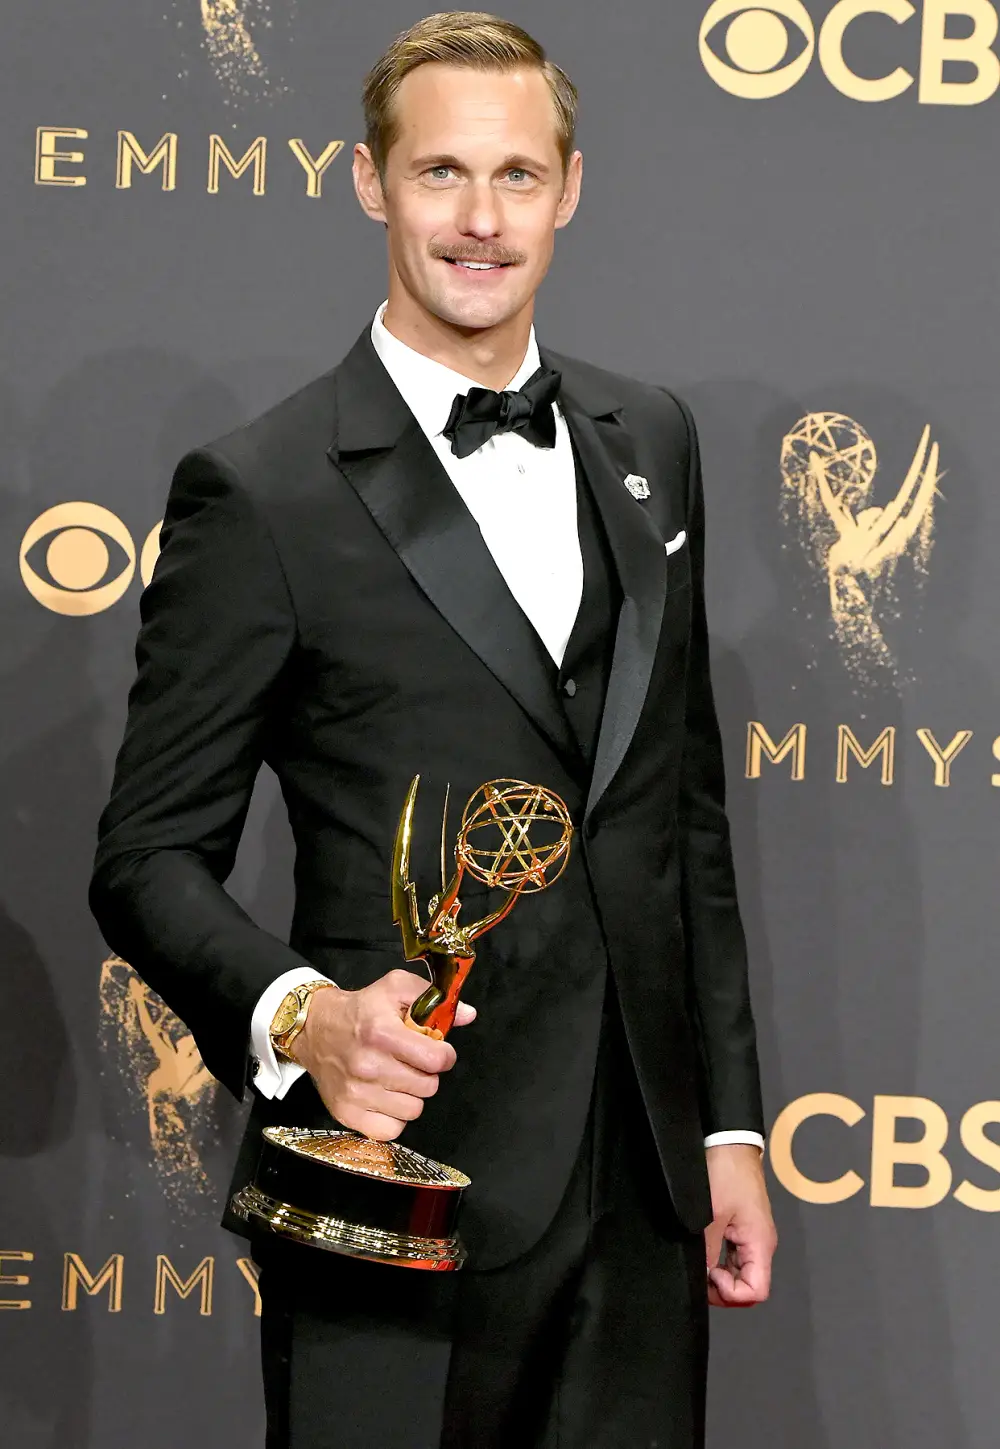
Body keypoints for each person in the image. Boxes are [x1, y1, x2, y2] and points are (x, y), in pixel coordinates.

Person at [90, 12, 777, 1448]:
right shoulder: (262, 491)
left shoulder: (653, 441)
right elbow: (147, 856)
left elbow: (680, 817)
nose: (480, 219)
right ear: (370, 184)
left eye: (518, 176)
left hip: (642, 1192)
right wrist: (306, 1020)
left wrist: (722, 1132)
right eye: (442, 175)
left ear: (570, 190)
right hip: (390, 1191)